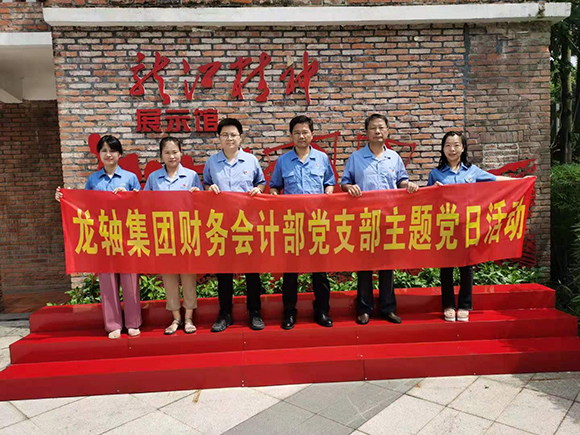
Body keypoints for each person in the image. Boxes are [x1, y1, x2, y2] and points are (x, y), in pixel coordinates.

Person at [55, 135, 142, 339]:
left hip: (127, 237)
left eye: (112, 150)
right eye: (104, 151)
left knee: (130, 282)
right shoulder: (93, 180)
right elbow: (84, 206)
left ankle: (133, 322)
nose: (108, 154)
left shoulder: (130, 178)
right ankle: (113, 324)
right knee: (107, 283)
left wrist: (130, 195)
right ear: (99, 155)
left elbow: (142, 204)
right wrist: (65, 198)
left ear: (120, 154)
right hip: (102, 238)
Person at [427, 130, 520, 322]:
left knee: (467, 267)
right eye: (447, 145)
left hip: (468, 227)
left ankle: (464, 305)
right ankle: (448, 305)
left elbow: (495, 181)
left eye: (456, 145)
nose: (452, 149)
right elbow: (426, 201)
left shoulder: (472, 171)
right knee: (446, 268)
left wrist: (520, 182)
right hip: (446, 228)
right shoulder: (435, 174)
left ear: (463, 148)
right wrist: (434, 191)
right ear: (442, 149)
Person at [341, 113, 419, 325]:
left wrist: (408, 185)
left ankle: (388, 308)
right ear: (366, 133)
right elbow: (345, 182)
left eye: (381, 128)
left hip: (389, 219)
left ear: (387, 131)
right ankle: (364, 309)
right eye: (373, 128)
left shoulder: (394, 158)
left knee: (387, 265)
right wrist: (350, 187)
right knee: (364, 266)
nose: (377, 131)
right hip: (364, 220)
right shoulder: (356, 158)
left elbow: (401, 180)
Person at [269, 115, 336, 330]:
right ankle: (290, 312)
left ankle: (322, 311)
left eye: (305, 132)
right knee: (290, 272)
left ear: (312, 134)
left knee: (320, 271)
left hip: (317, 222)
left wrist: (328, 193)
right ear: (291, 135)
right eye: (296, 132)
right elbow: (275, 186)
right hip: (292, 224)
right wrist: (274, 194)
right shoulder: (283, 161)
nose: (301, 136)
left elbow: (330, 182)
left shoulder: (322, 159)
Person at [204, 118, 266, 333]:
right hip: (221, 225)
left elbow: (261, 183)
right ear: (219, 138)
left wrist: (259, 190)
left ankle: (255, 312)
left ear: (240, 137)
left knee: (252, 271)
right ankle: (225, 314)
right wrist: (208, 189)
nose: (229, 138)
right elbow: (206, 184)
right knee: (224, 272)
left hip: (247, 224)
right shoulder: (212, 162)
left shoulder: (251, 161)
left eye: (233, 135)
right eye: (224, 135)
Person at [144, 136, 202, 334]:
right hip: (164, 235)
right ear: (161, 155)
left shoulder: (192, 176)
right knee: (169, 278)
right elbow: (144, 203)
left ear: (181, 153)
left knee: (188, 277)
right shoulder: (153, 178)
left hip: (187, 234)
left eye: (175, 152)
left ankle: (189, 318)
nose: (171, 156)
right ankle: (176, 318)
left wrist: (197, 195)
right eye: (167, 152)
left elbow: (201, 205)